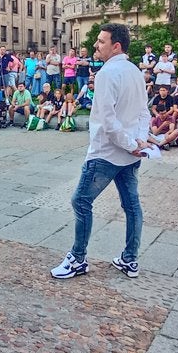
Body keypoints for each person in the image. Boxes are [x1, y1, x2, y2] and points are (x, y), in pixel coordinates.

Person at [51, 23, 151, 280]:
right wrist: (138, 142)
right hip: (128, 153)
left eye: (101, 41)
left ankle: (78, 258)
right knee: (132, 205)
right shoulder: (135, 72)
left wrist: (132, 144)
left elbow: (108, 121)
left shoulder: (108, 73)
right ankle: (130, 259)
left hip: (106, 153)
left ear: (116, 46)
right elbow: (144, 112)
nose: (96, 45)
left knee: (80, 201)